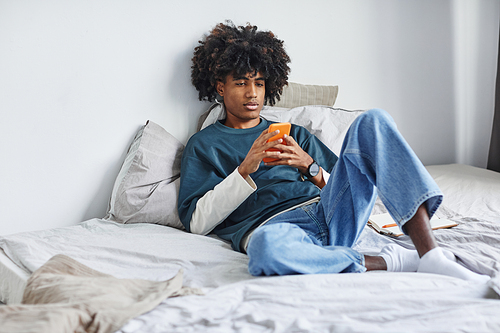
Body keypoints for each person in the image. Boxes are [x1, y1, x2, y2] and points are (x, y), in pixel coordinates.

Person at [178, 21, 489, 282]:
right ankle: (392, 261)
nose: (252, 93)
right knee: (265, 250)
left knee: (374, 120)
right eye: (241, 83)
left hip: (327, 211)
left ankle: (430, 253)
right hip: (275, 228)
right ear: (220, 87)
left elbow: (350, 182)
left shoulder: (296, 134)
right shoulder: (205, 144)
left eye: (259, 83)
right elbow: (196, 222)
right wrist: (244, 170)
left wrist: (310, 167)